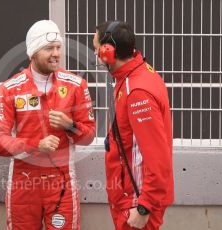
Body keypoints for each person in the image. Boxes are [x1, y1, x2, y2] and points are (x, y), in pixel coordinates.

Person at [0, 20, 96, 230]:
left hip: (62, 182)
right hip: (23, 183)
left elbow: (89, 135)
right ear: (33, 52)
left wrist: (70, 126)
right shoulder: (9, 89)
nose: (56, 53)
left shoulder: (76, 85)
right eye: (48, 48)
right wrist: (36, 145)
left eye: (58, 47)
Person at [93, 21, 174, 230]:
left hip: (136, 203)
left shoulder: (137, 92)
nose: (96, 56)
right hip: (132, 197)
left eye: (96, 50)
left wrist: (143, 207)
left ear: (108, 52)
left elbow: (158, 158)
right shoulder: (135, 73)